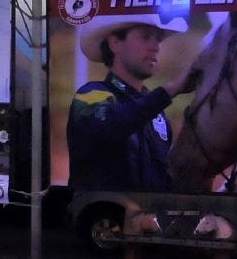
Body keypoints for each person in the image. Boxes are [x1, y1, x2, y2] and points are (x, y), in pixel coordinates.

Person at [67, 15, 199, 192]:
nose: (156, 47)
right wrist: (169, 90)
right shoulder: (91, 94)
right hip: (104, 216)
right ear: (115, 43)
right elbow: (112, 125)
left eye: (158, 39)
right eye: (145, 37)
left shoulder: (157, 112)